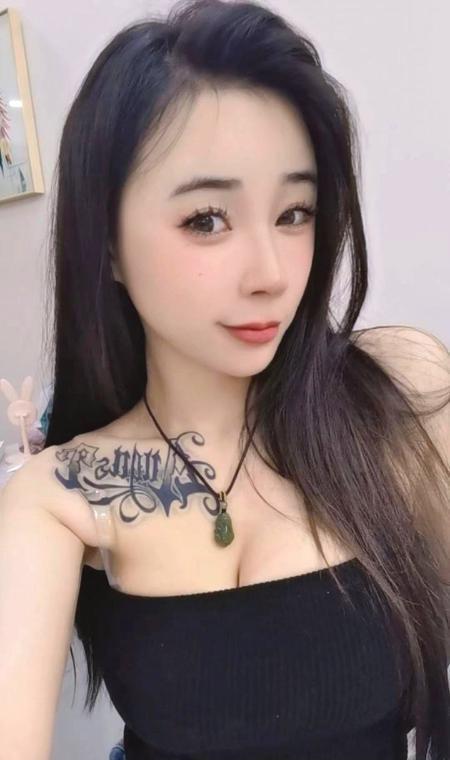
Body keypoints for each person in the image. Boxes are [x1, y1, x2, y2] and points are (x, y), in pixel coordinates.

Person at [0, 0, 449, 758]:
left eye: (295, 212)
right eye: (207, 219)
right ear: (107, 245)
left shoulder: (398, 394)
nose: (271, 273)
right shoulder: (63, 495)